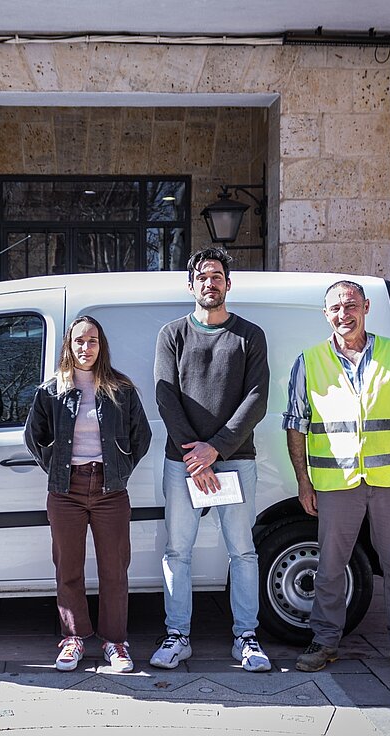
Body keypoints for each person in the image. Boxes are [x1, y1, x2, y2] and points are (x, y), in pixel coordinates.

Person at [284, 280, 390, 679]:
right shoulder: (309, 361)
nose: (343, 314)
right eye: (335, 308)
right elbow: (296, 426)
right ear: (325, 314)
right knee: (331, 567)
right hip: (336, 484)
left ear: (366, 307)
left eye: (350, 305)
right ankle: (324, 641)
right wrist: (303, 481)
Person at [150, 247, 272, 672]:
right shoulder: (172, 334)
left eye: (217, 276)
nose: (210, 283)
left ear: (228, 284)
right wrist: (195, 455)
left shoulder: (249, 336)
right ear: (191, 285)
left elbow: (256, 399)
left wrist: (215, 449)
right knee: (177, 552)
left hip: (236, 460)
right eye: (202, 276)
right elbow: (165, 396)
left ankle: (246, 638)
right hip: (181, 462)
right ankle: (177, 636)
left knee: (243, 552)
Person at [24, 315, 152, 673]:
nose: (85, 347)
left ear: (101, 345)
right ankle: (73, 637)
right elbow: (33, 437)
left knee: (115, 570)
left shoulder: (120, 389)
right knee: (68, 568)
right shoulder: (51, 390)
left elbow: (141, 437)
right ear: (69, 345)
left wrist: (120, 469)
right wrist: (58, 466)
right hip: (66, 490)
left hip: (111, 490)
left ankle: (115, 642)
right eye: (79, 341)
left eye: (92, 340)